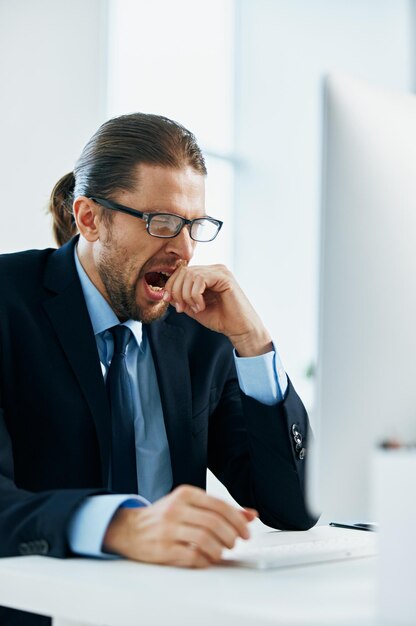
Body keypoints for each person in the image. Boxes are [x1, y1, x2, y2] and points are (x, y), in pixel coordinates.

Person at [0, 113, 316, 625]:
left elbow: (293, 508)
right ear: (89, 218)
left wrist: (253, 344)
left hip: (172, 612)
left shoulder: (196, 330)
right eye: (162, 223)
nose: (185, 248)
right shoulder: (8, 304)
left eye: (195, 226)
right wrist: (119, 528)